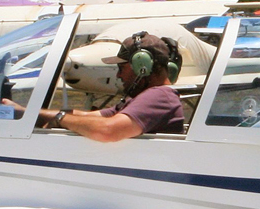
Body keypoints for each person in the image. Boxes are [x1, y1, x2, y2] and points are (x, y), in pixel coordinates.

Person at [35, 32, 183, 140]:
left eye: (121, 68)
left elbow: (107, 130)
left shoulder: (159, 97)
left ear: (141, 66)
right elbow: (90, 116)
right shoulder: (147, 98)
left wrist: (60, 119)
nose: (119, 76)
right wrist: (26, 113)